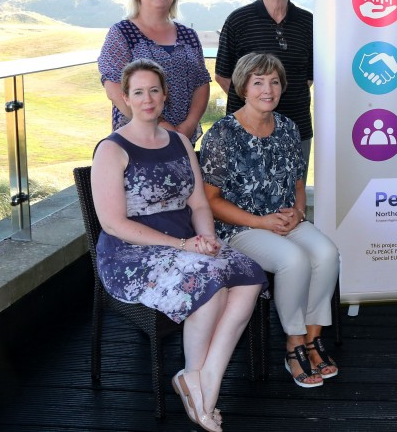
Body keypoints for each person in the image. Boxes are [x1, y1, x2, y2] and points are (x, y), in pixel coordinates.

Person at [91, 59, 267, 432]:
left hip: (185, 244)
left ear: (165, 94)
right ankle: (200, 389)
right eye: (138, 92)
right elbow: (112, 223)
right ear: (125, 98)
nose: (148, 98)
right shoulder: (112, 149)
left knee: (249, 275)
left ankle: (202, 379)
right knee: (210, 284)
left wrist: (207, 239)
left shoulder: (181, 141)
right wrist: (184, 244)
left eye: (154, 90)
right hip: (132, 255)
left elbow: (200, 203)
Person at [200, 53, 340, 389]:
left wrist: (300, 212)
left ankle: (312, 337)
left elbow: (296, 183)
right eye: (259, 81)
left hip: (285, 222)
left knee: (326, 253)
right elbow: (210, 201)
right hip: (240, 228)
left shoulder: (289, 128)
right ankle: (293, 344)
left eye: (274, 81)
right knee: (293, 261)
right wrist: (261, 222)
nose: (268, 89)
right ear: (243, 87)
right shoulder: (222, 134)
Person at [214, 0, 314, 173]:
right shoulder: (238, 20)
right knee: (245, 194)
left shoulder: (309, 23)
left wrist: (278, 96)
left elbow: (308, 77)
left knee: (292, 194)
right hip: (246, 129)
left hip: (297, 127)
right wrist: (258, 102)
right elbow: (222, 75)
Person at [97, 0, 211, 145]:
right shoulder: (122, 33)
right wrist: (160, 126)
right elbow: (113, 86)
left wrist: (187, 127)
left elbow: (201, 82)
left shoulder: (188, 36)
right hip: (138, 140)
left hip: (183, 139)